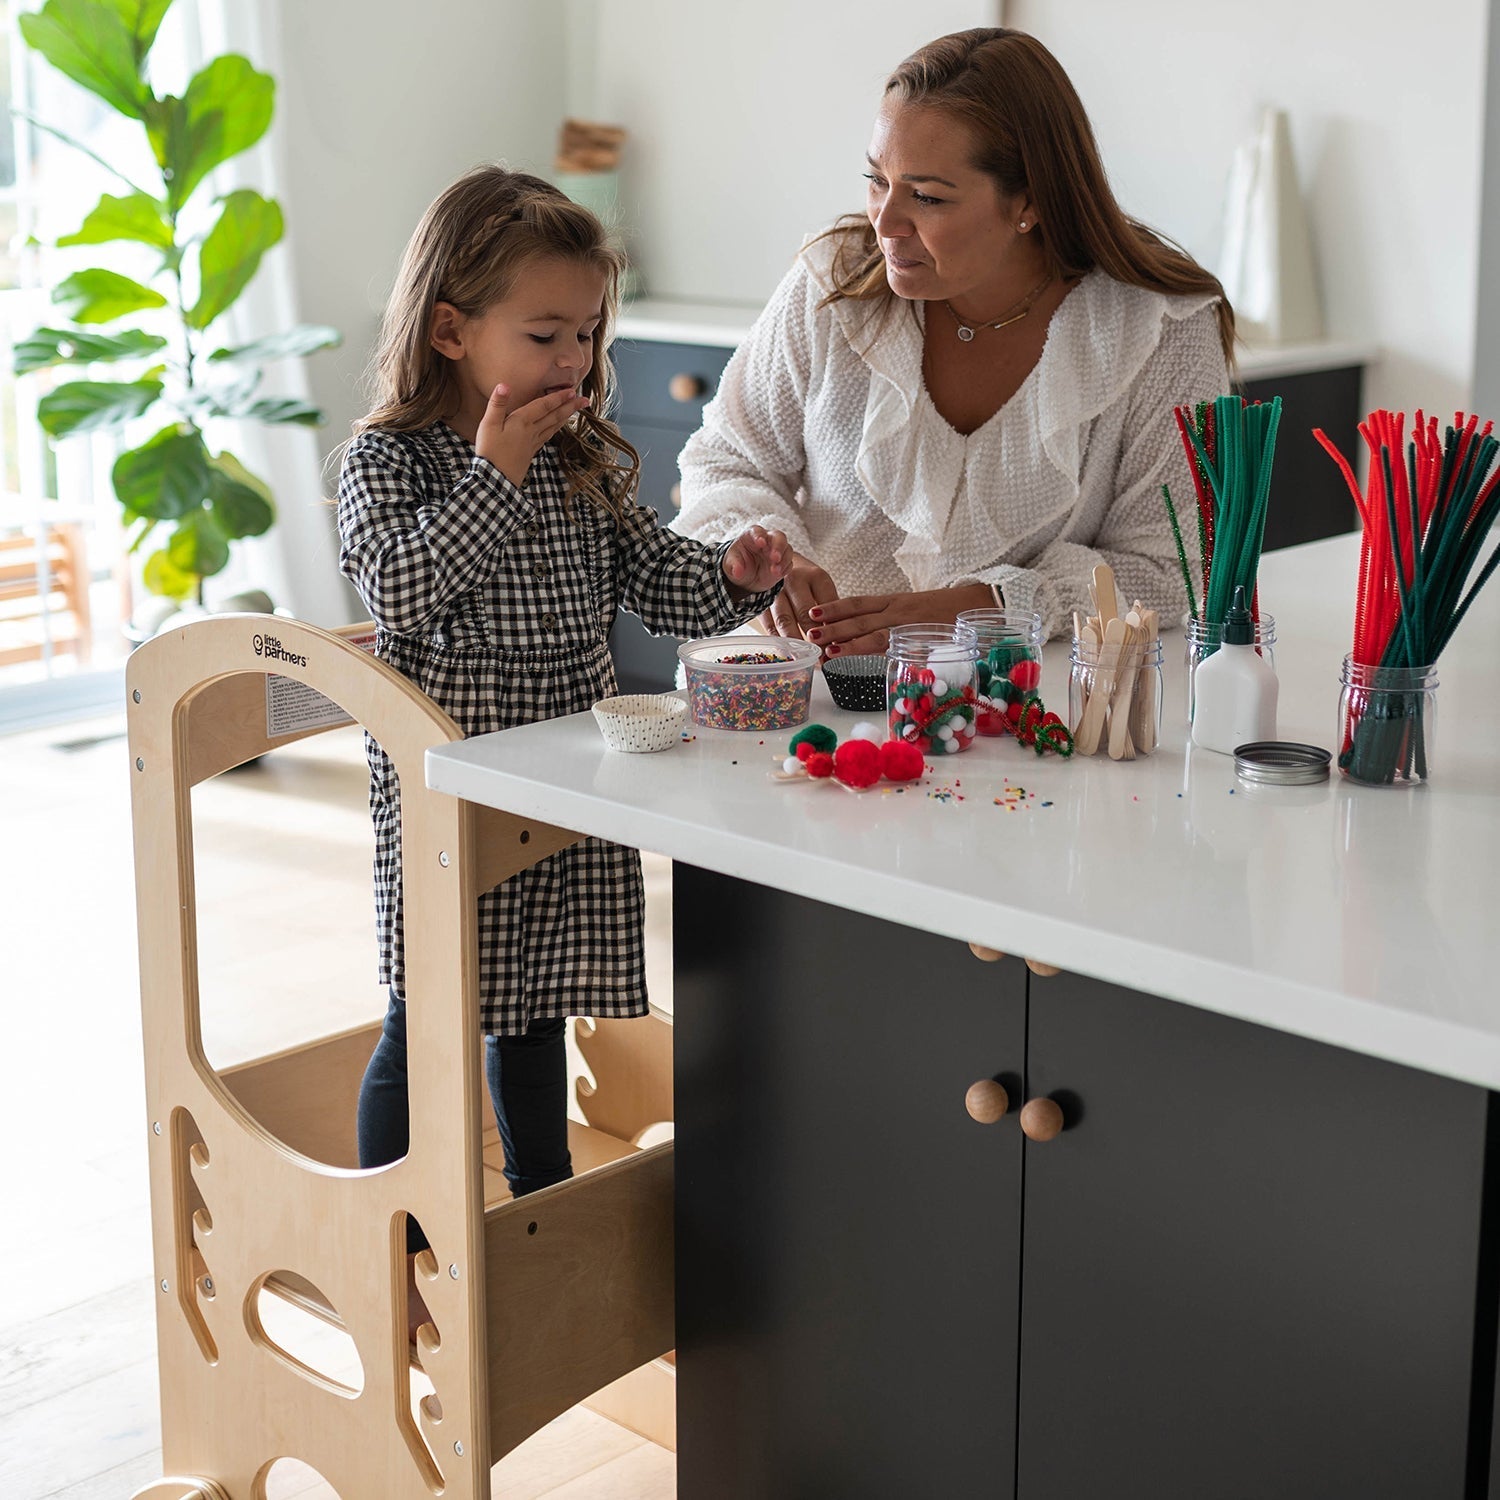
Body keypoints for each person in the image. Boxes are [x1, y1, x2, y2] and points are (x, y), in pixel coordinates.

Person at [337, 166, 787, 1310]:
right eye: (544, 334)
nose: (574, 362)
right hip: (448, 792)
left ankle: (536, 1203)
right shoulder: (391, 461)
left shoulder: (585, 460)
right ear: (451, 329)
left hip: (561, 783)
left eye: (588, 334)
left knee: (531, 1011)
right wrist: (496, 470)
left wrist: (732, 577)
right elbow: (400, 589)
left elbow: (659, 583)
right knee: (430, 1013)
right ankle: (390, 1237)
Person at [675, 27, 1234, 651]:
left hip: (1025, 714)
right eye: (876, 178)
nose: (883, 222)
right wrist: (769, 561)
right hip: (798, 696)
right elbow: (724, 462)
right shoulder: (831, 285)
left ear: (1029, 203)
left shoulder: (1162, 331)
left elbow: (1177, 571)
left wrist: (987, 607)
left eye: (928, 196)